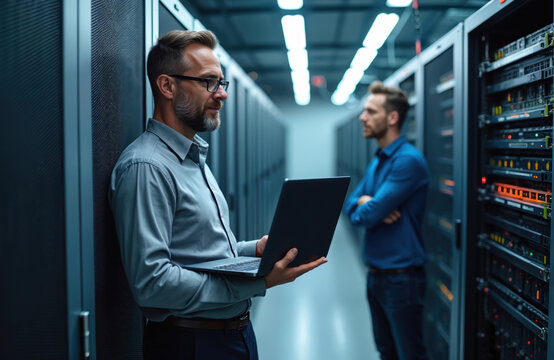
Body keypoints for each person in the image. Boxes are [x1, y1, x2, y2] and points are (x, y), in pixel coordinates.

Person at [108, 30, 326, 360]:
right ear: (167, 86)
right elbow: (153, 281)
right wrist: (259, 282)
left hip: (231, 335)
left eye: (223, 83)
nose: (222, 94)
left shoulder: (191, 157)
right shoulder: (147, 167)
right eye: (209, 82)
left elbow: (200, 254)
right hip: (190, 343)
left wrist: (255, 250)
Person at [344, 81, 430, 360]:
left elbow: (366, 217)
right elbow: (348, 208)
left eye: (370, 111)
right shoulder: (379, 160)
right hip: (377, 276)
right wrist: (364, 202)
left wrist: (369, 206)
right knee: (386, 352)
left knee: (410, 355)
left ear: (392, 118)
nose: (362, 117)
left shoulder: (407, 161)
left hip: (402, 280)